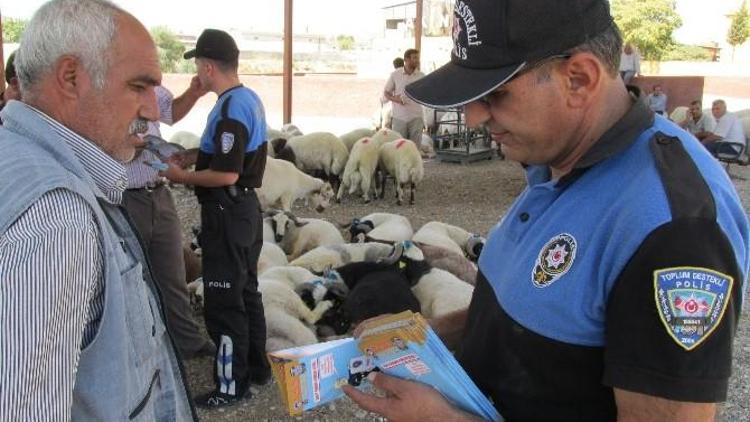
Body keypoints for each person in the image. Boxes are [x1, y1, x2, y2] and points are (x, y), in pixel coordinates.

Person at [344, 0, 749, 421]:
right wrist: (425, 336)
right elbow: (530, 322)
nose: (474, 115)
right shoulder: (558, 161)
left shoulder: (673, 229)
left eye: (496, 93)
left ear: (580, 78)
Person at [0, 0, 194, 420]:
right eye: (139, 86)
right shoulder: (56, 219)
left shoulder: (16, 159)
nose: (150, 110)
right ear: (71, 77)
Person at [160, 28, 271, 409]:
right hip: (245, 211)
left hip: (225, 211)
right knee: (246, 291)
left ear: (208, 67)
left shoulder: (228, 108)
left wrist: (180, 176)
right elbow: (234, 156)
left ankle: (229, 386)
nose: (197, 74)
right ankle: (258, 368)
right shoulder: (247, 98)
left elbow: (226, 173)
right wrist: (193, 155)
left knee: (223, 301)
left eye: (198, 66)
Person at [123, 81, 215, 360]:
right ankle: (139, 350)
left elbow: (170, 112)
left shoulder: (150, 85)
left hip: (158, 191)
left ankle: (187, 341)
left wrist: (194, 93)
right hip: (124, 197)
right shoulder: (106, 89)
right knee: (128, 273)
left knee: (172, 269)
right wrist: (131, 145)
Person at [383, 48, 425, 143]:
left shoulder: (421, 76)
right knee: (399, 146)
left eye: (418, 58)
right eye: (414, 58)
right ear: (406, 60)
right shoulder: (395, 75)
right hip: (399, 118)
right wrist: (395, 99)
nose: (417, 60)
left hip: (416, 117)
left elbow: (426, 94)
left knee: (415, 148)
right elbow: (386, 92)